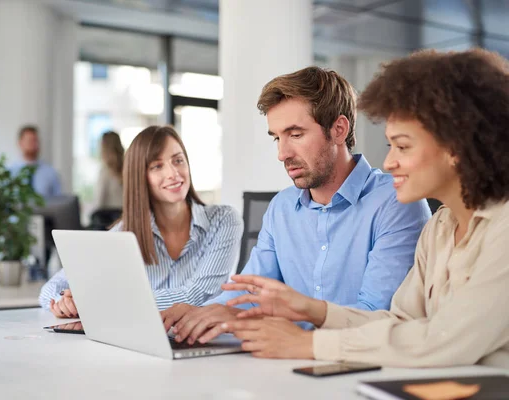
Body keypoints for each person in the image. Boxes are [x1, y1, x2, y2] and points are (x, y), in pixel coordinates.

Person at [208, 49, 509, 368]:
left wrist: (309, 342)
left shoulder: (501, 229)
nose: (389, 162)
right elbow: (399, 324)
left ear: (457, 148)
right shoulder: (441, 228)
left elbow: (445, 340)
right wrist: (313, 311)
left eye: (403, 146)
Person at [161, 66, 431, 345]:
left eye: (296, 134)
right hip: (286, 362)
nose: (282, 153)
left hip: (357, 366)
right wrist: (201, 315)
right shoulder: (282, 208)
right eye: (277, 137)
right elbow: (249, 293)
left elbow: (377, 316)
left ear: (338, 130)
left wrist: (297, 336)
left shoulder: (396, 201)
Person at [39, 125, 243, 317]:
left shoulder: (223, 221)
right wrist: (64, 303)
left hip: (202, 344)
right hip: (142, 344)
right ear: (140, 177)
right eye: (157, 166)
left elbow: (198, 295)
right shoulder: (124, 233)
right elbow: (50, 289)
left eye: (178, 160)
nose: (173, 173)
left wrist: (105, 304)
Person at [8, 125, 62, 198]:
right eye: (29, 141)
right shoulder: (10, 172)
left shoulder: (50, 172)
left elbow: (59, 202)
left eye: (35, 141)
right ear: (20, 143)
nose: (33, 145)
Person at [93, 131, 124, 209]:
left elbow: (99, 202)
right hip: (126, 217)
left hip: (109, 219)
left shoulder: (105, 171)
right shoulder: (128, 169)